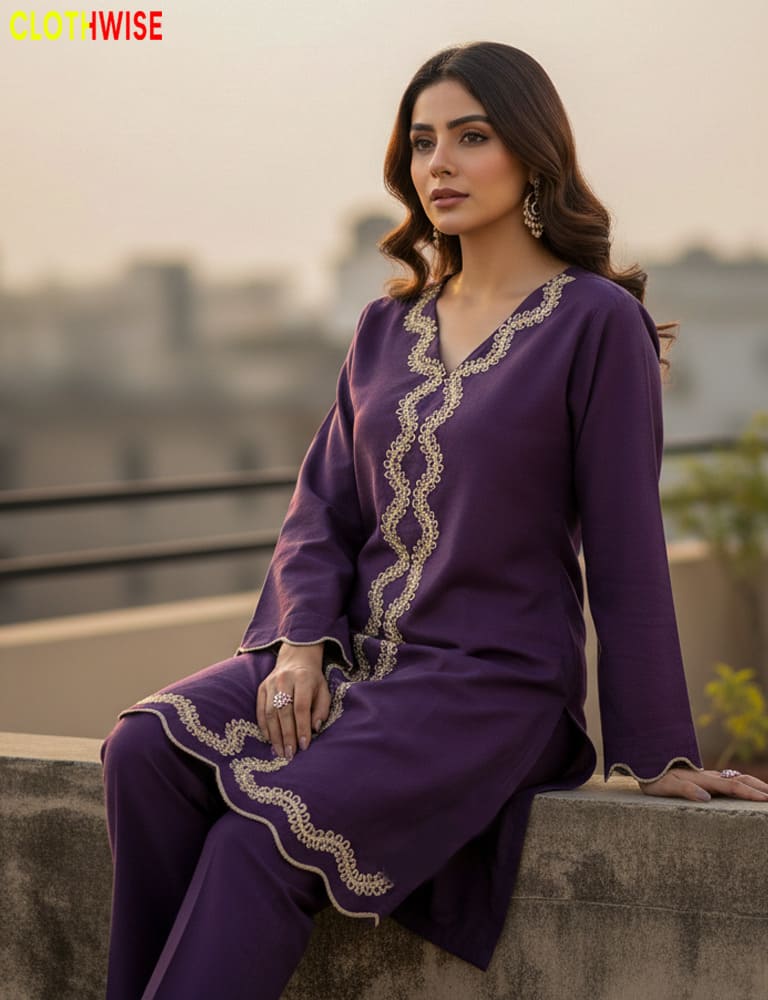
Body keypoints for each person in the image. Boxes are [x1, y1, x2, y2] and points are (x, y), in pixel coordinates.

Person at [100, 41, 768, 1000]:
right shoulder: (385, 328)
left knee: (261, 840)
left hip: (491, 683)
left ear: (533, 155)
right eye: (421, 143)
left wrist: (659, 750)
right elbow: (321, 509)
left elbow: (627, 553)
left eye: (471, 136)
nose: (439, 165)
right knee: (140, 755)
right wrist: (299, 646)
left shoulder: (594, 326)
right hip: (355, 657)